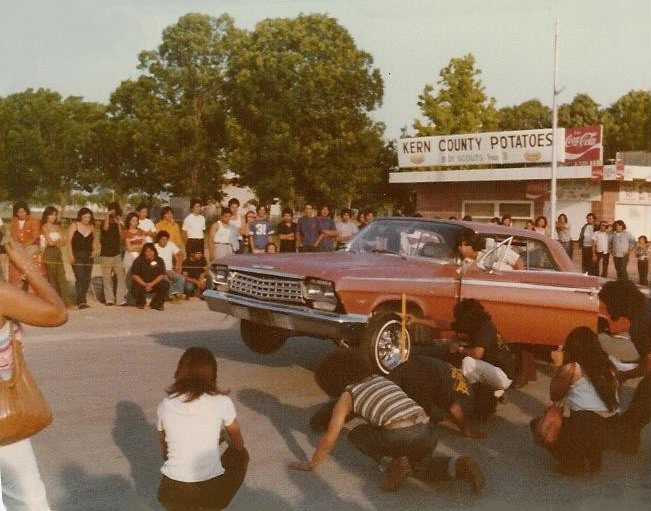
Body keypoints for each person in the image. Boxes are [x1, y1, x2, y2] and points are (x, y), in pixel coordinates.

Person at [290, 350, 484, 493]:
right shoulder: (380, 379)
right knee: (421, 470)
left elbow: (330, 438)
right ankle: (459, 465)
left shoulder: (347, 395)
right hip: (427, 430)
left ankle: (394, 463)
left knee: (357, 434)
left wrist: (311, 463)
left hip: (398, 435)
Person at [0, 241, 67, 511]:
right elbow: (57, 313)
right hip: (4, 411)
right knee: (28, 499)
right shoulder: (2, 295)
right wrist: (26, 264)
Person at [157, 347, 248, 511]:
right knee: (241, 455)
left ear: (179, 371)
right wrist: (224, 438)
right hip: (208, 492)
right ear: (213, 374)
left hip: (170, 492)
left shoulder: (166, 405)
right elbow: (238, 445)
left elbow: (165, 453)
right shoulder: (222, 402)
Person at [309, 355, 482, 439]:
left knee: (373, 392)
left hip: (413, 365)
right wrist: (466, 429)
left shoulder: (462, 379)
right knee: (418, 417)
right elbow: (455, 409)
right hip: (422, 379)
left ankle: (325, 418)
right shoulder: (469, 400)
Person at [531, 327, 618, 474]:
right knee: (590, 421)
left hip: (585, 425)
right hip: (610, 427)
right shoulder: (608, 366)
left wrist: (558, 367)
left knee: (537, 425)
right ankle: (593, 457)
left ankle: (572, 462)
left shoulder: (573, 368)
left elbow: (555, 395)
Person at [598, 280, 651, 454]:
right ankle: (627, 437)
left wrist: (624, 376)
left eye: (606, 305)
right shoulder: (646, 306)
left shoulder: (640, 324)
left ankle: (626, 437)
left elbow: (648, 366)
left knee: (644, 398)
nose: (604, 310)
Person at [451, 299, 515, 393]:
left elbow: (477, 354)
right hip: (496, 370)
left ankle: (469, 394)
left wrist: (459, 349)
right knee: (469, 358)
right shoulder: (479, 323)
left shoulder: (484, 328)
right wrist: (421, 321)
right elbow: (444, 325)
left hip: (502, 376)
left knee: (468, 362)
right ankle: (494, 393)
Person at [40, 206, 73, 308]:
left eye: (55, 215)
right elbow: (49, 242)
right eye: (51, 214)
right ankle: (54, 303)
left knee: (61, 277)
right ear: (47, 215)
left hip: (58, 253)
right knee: (52, 278)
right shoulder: (45, 227)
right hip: (49, 253)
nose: (53, 217)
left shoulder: (57, 227)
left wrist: (57, 242)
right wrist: (56, 242)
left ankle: (66, 302)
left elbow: (63, 241)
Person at [99, 202, 128, 307]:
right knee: (107, 278)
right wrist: (107, 215)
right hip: (106, 254)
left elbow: (121, 236)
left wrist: (119, 223)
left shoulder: (118, 222)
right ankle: (109, 299)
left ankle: (120, 299)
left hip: (116, 254)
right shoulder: (104, 222)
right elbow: (105, 229)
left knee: (121, 277)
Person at [67, 208, 96, 310]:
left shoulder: (91, 227)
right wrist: (70, 254)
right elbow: (69, 241)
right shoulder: (74, 225)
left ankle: (82, 298)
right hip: (77, 254)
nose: (87, 219)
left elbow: (93, 240)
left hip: (88, 255)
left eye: (89, 217)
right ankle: (81, 301)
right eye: (85, 217)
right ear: (80, 216)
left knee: (87, 278)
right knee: (80, 277)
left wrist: (94, 251)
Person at [8, 202, 41, 290]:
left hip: (32, 245)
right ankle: (14, 281)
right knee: (14, 254)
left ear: (27, 212)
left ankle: (26, 275)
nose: (21, 214)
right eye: (19, 212)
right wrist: (17, 245)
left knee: (28, 253)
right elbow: (13, 236)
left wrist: (25, 245)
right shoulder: (14, 221)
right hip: (20, 245)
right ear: (16, 213)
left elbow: (35, 237)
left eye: (23, 212)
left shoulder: (34, 221)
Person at [456, 230, 524, 271]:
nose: (461, 248)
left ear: (473, 244)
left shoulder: (493, 248)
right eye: (459, 245)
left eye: (465, 245)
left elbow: (518, 262)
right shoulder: (459, 260)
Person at [130, 243, 169, 311]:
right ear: (143, 252)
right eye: (147, 251)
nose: (149, 253)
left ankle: (156, 304)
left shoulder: (159, 260)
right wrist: (145, 284)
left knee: (165, 284)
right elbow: (134, 275)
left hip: (154, 284)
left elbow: (161, 275)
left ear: (154, 251)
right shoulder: (138, 260)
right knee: (135, 287)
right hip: (142, 284)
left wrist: (151, 284)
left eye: (151, 251)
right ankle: (141, 303)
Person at [155, 231, 184, 301]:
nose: (164, 241)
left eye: (166, 240)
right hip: (160, 272)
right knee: (166, 279)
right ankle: (172, 295)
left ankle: (178, 294)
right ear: (158, 240)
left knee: (180, 278)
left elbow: (181, 254)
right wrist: (164, 271)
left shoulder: (170, 244)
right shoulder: (154, 247)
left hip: (170, 270)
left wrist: (178, 265)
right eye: (162, 239)